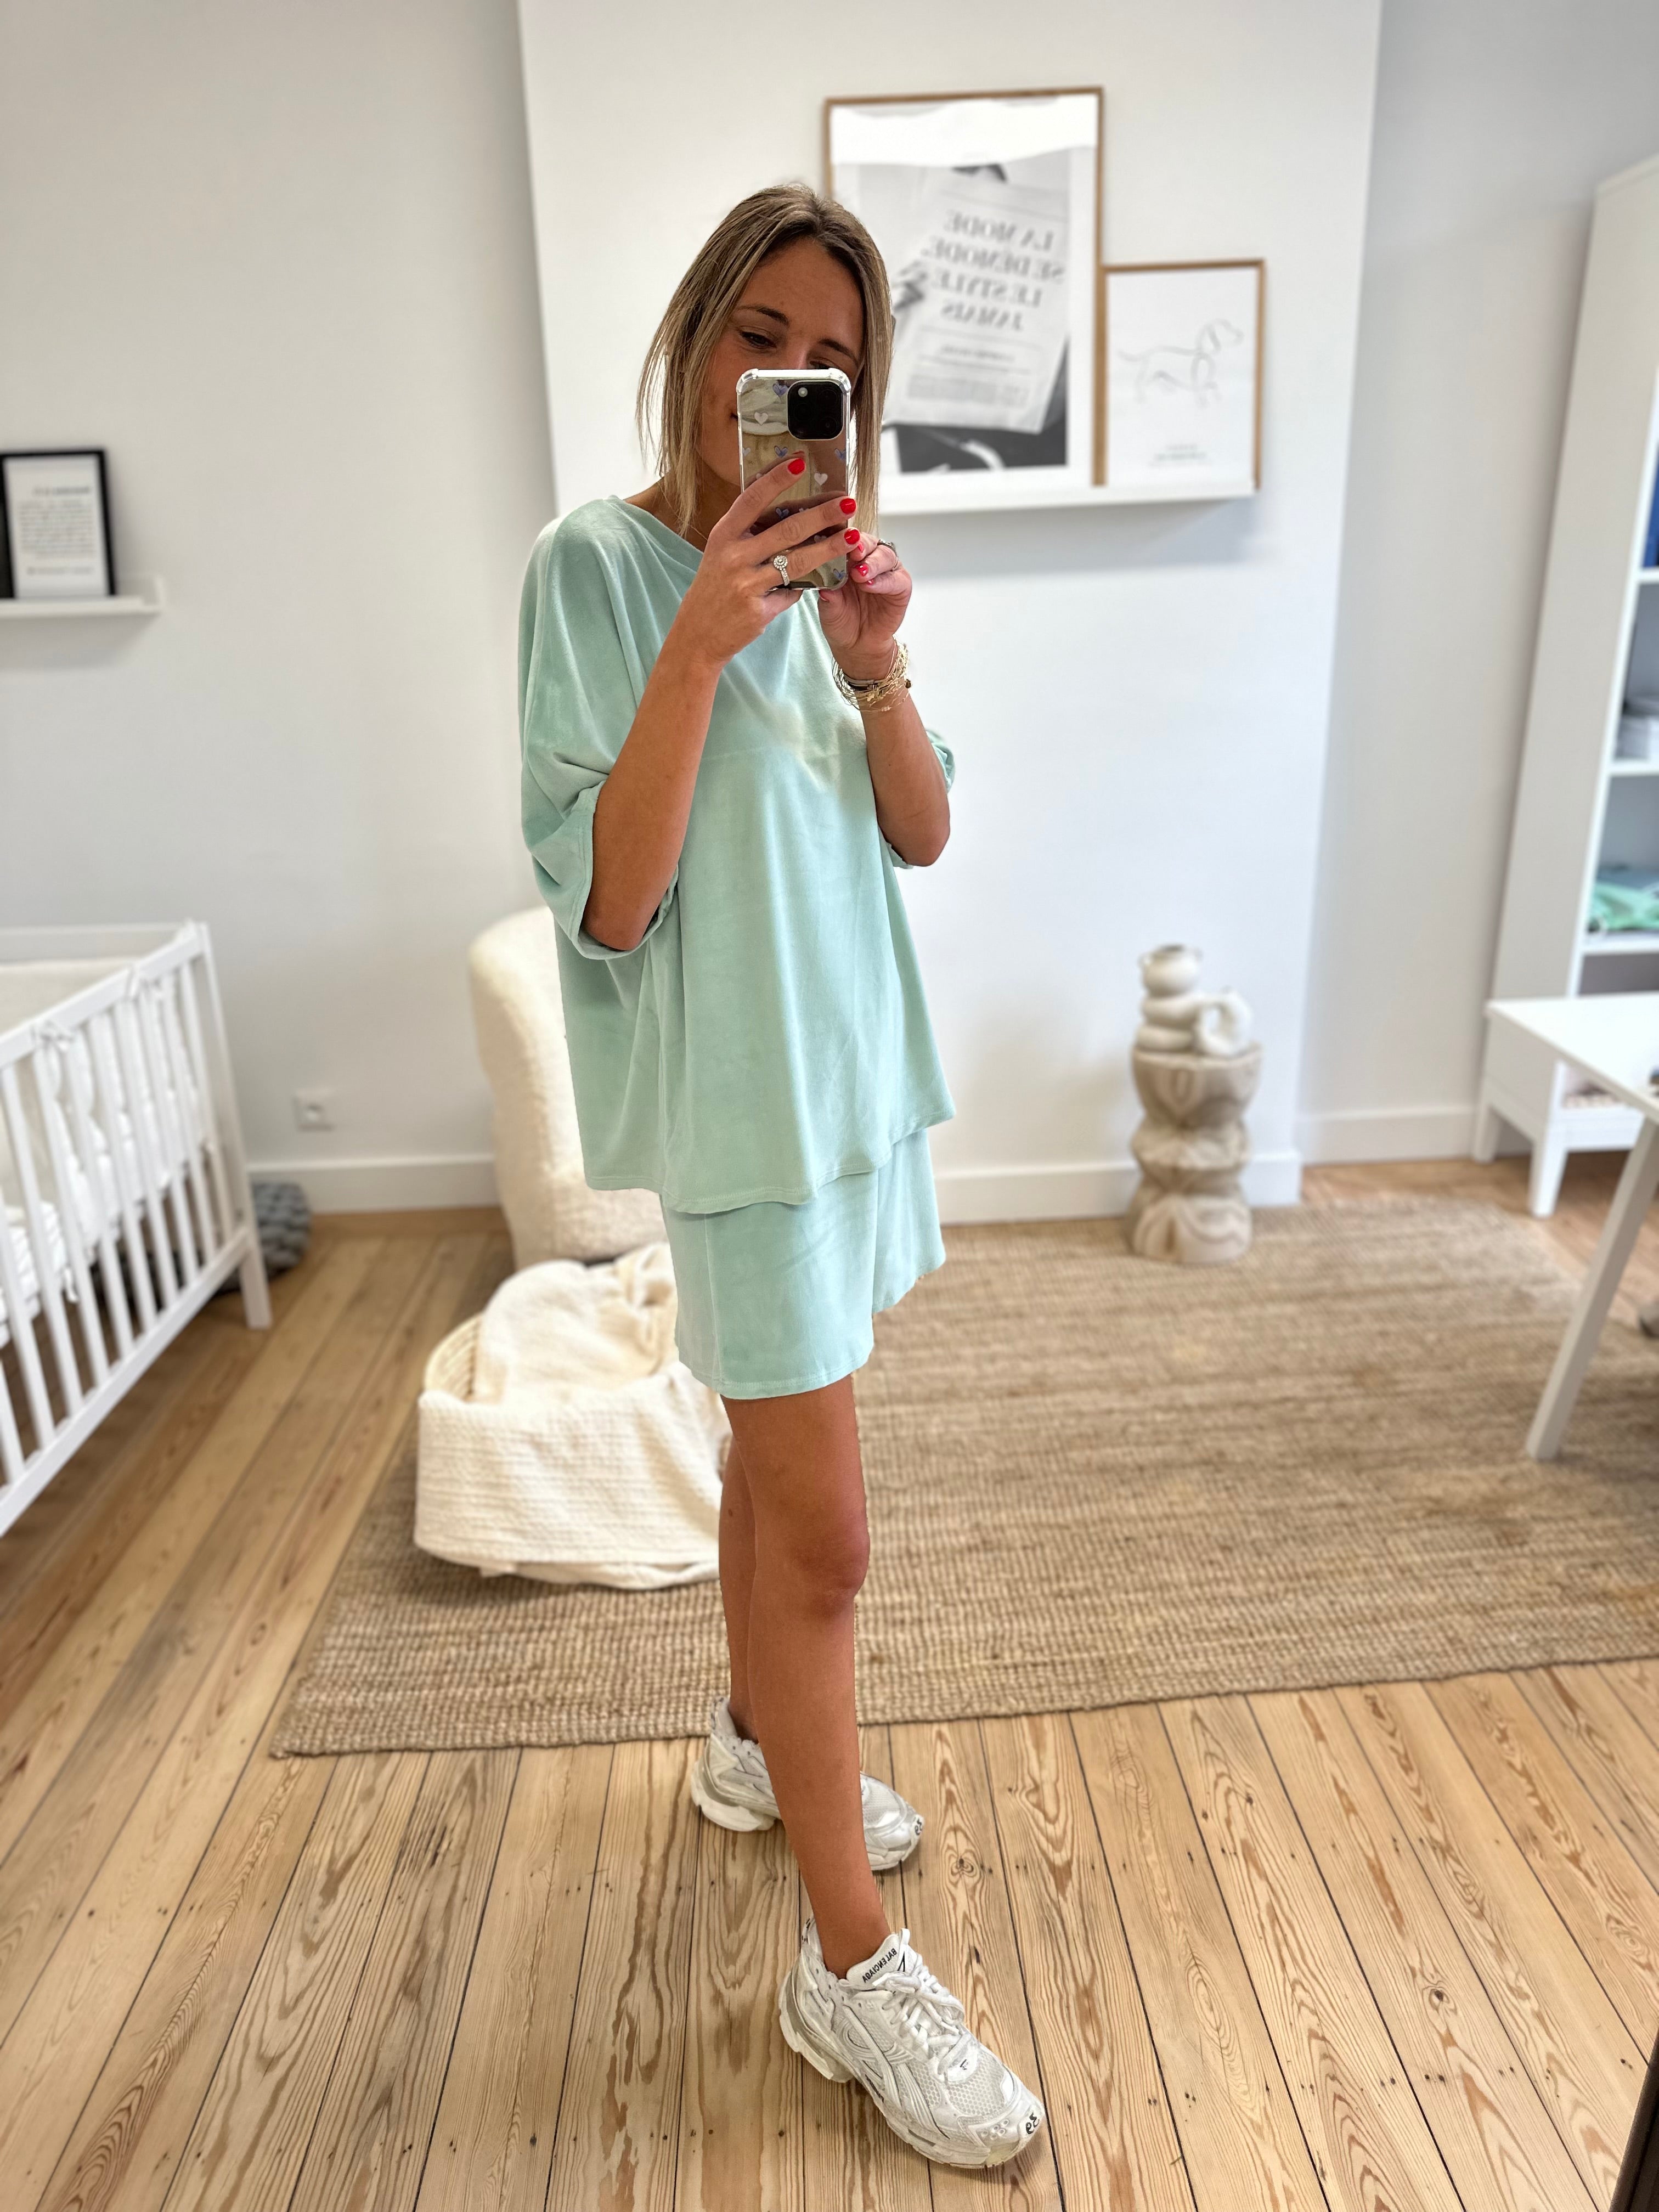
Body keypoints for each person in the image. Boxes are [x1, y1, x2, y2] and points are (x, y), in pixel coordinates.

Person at [518, 182, 1046, 2172]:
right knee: (828, 1544)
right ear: (695, 338)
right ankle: (851, 1963)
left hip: (850, 1092)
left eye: (830, 359)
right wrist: (700, 641)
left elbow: (918, 836)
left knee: (769, 1462)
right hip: (741, 1123)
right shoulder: (599, 569)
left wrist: (872, 657)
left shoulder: (833, 584)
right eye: (760, 338)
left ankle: (754, 1747)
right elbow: (612, 900)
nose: (788, 379)